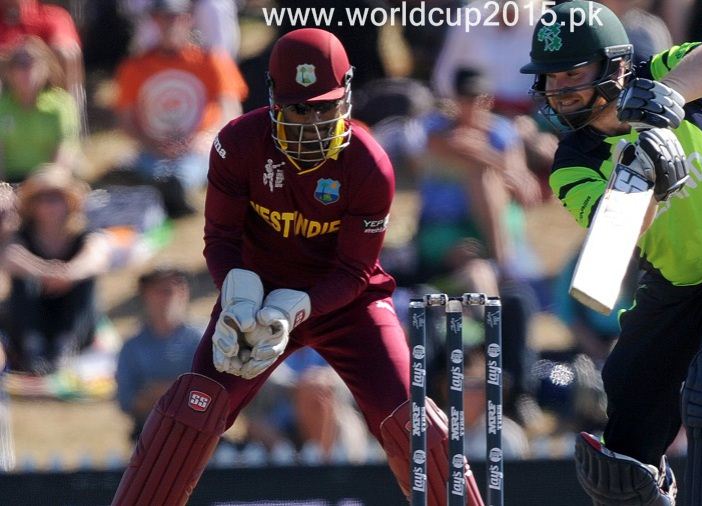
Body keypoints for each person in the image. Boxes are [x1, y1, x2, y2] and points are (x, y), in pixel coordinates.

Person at [110, 28, 486, 506]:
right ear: (273, 100)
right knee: (192, 409)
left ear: (347, 96)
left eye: (326, 107)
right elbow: (221, 240)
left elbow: (353, 271)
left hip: (346, 303)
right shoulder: (237, 144)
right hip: (257, 304)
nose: (312, 123)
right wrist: (238, 298)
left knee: (413, 421)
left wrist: (300, 307)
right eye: (299, 109)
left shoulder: (370, 165)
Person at [519, 2, 702, 505]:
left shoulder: (660, 73)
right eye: (550, 78)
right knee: (622, 458)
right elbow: (618, 237)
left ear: (613, 65)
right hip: (673, 282)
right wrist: (646, 169)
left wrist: (664, 101)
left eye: (572, 73)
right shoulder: (572, 163)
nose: (560, 89)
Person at [113, 0, 247, 217]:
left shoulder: (212, 60)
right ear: (152, 22)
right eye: (161, 17)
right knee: (147, 165)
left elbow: (231, 110)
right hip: (154, 149)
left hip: (198, 148)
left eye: (174, 17)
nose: (168, 24)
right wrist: (152, 144)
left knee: (192, 168)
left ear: (188, 19)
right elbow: (126, 120)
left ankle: (176, 189)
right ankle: (164, 189)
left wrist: (206, 137)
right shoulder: (134, 67)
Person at [0, 166, 111, 375]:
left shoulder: (82, 234)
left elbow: (97, 256)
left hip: (73, 320)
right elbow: (9, 256)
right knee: (24, 281)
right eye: (43, 198)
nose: (49, 204)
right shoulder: (23, 235)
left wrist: (69, 274)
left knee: (85, 280)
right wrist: (45, 272)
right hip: (32, 318)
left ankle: (66, 346)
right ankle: (32, 346)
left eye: (56, 197)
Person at [114, 267, 202, 442]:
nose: (168, 297)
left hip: (199, 431)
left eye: (173, 289)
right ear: (145, 295)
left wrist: (171, 390)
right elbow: (126, 401)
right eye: (161, 291)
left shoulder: (203, 340)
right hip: (151, 434)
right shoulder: (132, 347)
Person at [0, 36, 81, 183]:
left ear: (46, 69)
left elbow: (65, 150)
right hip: (8, 183)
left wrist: (45, 186)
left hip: (49, 183)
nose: (26, 71)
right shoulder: (2, 106)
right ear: (9, 72)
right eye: (19, 64)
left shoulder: (61, 103)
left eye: (32, 63)